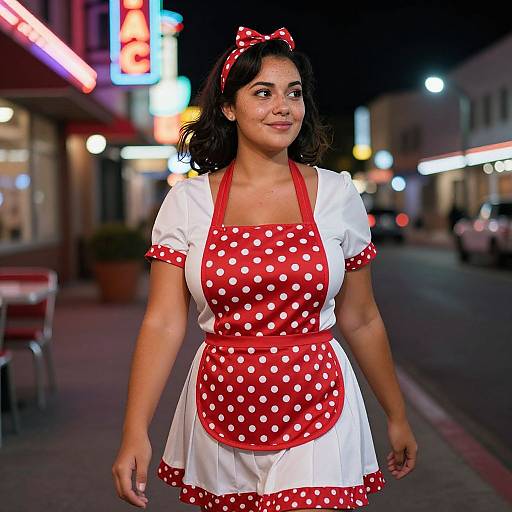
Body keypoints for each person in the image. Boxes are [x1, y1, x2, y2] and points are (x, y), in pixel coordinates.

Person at [112, 26, 418, 511]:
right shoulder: (188, 202)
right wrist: (135, 431)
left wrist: (396, 413)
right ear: (229, 108)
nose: (284, 106)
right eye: (263, 92)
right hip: (220, 401)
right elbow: (164, 321)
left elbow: (361, 316)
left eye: (294, 93)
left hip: (319, 397)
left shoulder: (337, 195)